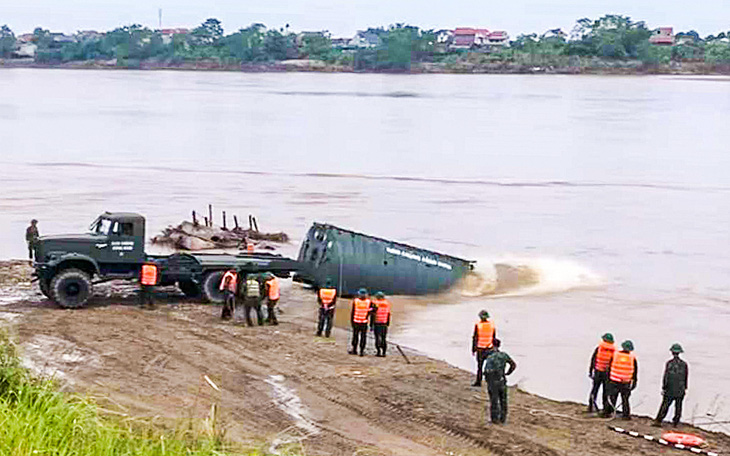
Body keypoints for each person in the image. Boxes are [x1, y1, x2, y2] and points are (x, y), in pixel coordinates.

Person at [653, 343, 689, 427]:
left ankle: (659, 420)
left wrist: (664, 387)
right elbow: (685, 377)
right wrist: (685, 388)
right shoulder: (684, 364)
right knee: (678, 406)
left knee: (665, 405)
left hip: (670, 389)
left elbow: (666, 377)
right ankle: (676, 422)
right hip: (680, 389)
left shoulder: (669, 363)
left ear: (672, 352)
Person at [483, 338, 516, 424]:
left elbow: (486, 368)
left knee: (494, 400)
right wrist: (508, 373)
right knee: (503, 400)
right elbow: (513, 365)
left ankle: (495, 419)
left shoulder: (489, 356)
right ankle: (503, 419)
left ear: (492, 345)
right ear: (499, 345)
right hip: (502, 380)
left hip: (492, 381)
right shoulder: (504, 355)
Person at [604, 340, 638, 420]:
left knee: (612, 397)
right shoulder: (632, 358)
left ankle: (607, 412)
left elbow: (609, 367)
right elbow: (635, 372)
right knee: (625, 399)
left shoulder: (615, 355)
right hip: (625, 381)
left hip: (614, 380)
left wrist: (608, 379)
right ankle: (626, 415)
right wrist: (634, 382)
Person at [588, 333, 616, 413]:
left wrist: (591, 370)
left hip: (598, 371)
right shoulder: (614, 351)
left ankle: (591, 406)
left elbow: (593, 359)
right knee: (606, 391)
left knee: (595, 389)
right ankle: (605, 408)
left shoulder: (599, 348)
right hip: (607, 373)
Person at [472, 310, 497, 387]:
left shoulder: (478, 325)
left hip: (480, 348)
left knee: (480, 366)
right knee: (491, 366)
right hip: (490, 348)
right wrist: (495, 348)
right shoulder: (492, 325)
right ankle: (492, 381)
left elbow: (475, 338)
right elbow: (494, 337)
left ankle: (478, 382)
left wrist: (473, 349)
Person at [349, 288, 374, 356]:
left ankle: (354, 349)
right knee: (363, 337)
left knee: (355, 336)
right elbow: (373, 311)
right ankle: (362, 351)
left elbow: (353, 312)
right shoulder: (369, 302)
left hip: (356, 321)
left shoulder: (356, 301)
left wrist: (351, 321)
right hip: (364, 322)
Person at [371, 291, 391, 357]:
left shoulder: (375, 303)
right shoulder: (386, 304)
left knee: (377, 338)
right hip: (384, 323)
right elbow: (388, 314)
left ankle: (378, 351)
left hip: (377, 322)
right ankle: (384, 352)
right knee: (383, 338)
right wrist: (388, 323)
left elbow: (373, 314)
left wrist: (371, 325)